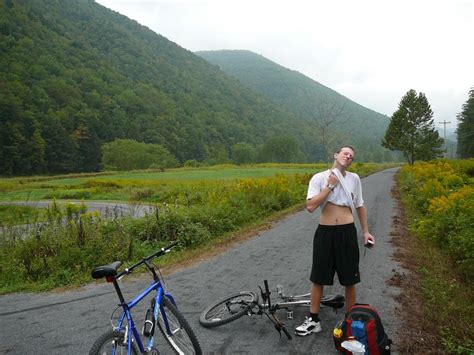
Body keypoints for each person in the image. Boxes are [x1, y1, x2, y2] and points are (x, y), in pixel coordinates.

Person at [295, 145, 375, 336]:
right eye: (345, 153)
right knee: (318, 277)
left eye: (352, 156)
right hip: (325, 232)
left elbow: (360, 205)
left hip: (347, 232)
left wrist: (366, 232)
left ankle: (351, 320)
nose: (349, 156)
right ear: (336, 155)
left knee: (350, 278)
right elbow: (311, 206)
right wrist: (330, 185)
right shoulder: (319, 178)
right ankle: (313, 320)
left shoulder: (354, 179)